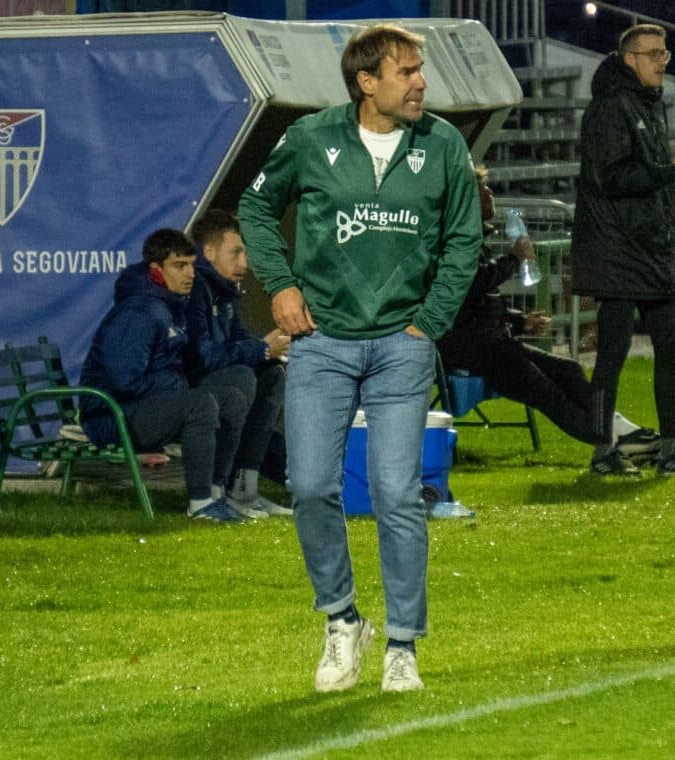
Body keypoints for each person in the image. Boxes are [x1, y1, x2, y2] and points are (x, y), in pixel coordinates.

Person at [239, 23, 482, 693]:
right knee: (311, 486)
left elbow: (464, 240)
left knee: (400, 494)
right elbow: (256, 207)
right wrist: (281, 285)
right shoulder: (313, 138)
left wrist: (429, 322)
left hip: (401, 347)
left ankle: (402, 644)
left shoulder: (443, 145)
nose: (421, 83)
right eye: (405, 72)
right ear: (365, 82)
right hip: (321, 343)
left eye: (420, 70)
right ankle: (343, 620)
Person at [437, 168, 661, 469]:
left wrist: (519, 321)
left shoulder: (473, 238)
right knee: (550, 395)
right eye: (483, 189)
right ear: (465, 199)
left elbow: (476, 305)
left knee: (568, 370)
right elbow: (472, 285)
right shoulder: (455, 239)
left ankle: (626, 434)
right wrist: (515, 259)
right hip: (476, 351)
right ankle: (615, 445)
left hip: (492, 344)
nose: (490, 194)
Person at [570, 24, 675, 477]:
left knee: (670, 345)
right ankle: (601, 452)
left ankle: (671, 448)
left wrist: (664, 172)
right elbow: (612, 178)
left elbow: (641, 173)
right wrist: (668, 171)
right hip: (617, 249)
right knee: (612, 353)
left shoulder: (646, 104)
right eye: (653, 54)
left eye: (664, 54)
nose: (661, 63)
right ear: (629, 59)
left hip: (649, 249)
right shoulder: (610, 107)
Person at [78, 228, 254, 522]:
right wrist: (175, 386)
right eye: (179, 266)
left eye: (190, 264)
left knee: (232, 398)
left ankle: (215, 494)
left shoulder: (169, 305)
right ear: (156, 270)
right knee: (199, 404)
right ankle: (199, 505)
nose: (190, 274)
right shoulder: (139, 312)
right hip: (110, 416)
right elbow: (124, 381)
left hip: (141, 406)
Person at [187, 209, 292, 518]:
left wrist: (269, 350)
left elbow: (238, 342)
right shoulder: (194, 290)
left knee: (271, 374)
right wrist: (260, 349)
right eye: (236, 253)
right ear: (209, 252)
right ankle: (215, 491)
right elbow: (200, 357)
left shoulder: (223, 292)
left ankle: (244, 489)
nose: (244, 264)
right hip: (187, 389)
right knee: (242, 378)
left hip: (217, 382)